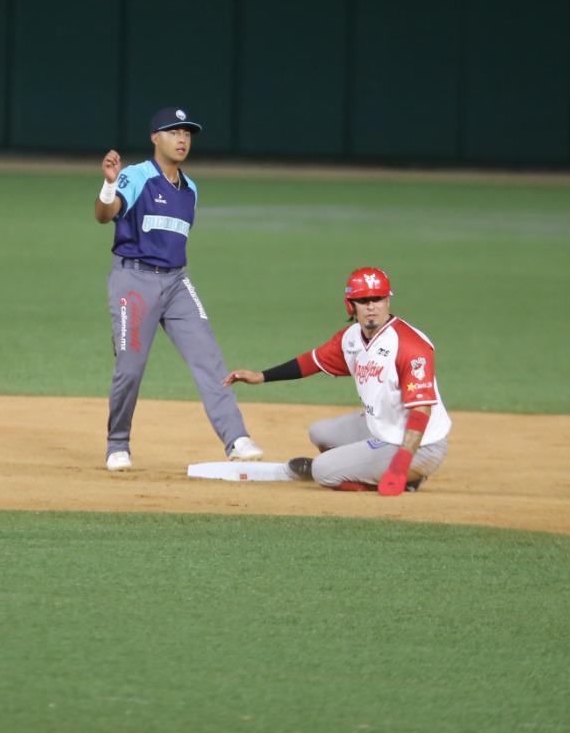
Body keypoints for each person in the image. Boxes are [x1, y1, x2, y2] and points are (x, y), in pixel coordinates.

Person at [94, 106, 262, 471]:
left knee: (209, 358)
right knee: (131, 367)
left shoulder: (191, 189)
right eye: (173, 132)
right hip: (134, 281)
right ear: (155, 138)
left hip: (176, 282)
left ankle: (236, 438)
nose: (182, 138)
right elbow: (105, 215)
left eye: (186, 133)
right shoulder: (136, 176)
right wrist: (109, 184)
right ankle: (117, 443)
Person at [223, 266, 449, 495]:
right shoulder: (351, 338)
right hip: (385, 427)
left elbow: (421, 410)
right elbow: (311, 361)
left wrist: (401, 465)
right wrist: (261, 376)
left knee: (322, 471)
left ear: (387, 302)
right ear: (350, 305)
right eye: (363, 300)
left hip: (421, 445)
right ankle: (358, 466)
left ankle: (403, 478)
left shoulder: (410, 345)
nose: (371, 307)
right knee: (320, 432)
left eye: (378, 299)